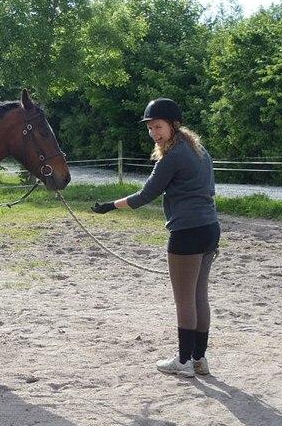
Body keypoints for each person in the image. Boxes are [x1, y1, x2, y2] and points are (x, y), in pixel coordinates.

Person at [92, 98, 220, 378]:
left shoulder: (172, 156)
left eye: (158, 127)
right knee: (199, 296)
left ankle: (184, 361)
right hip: (210, 228)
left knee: (185, 299)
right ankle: (199, 359)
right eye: (150, 128)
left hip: (186, 232)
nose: (154, 133)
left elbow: (144, 196)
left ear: (174, 125)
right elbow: (210, 188)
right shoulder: (198, 149)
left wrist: (110, 205)